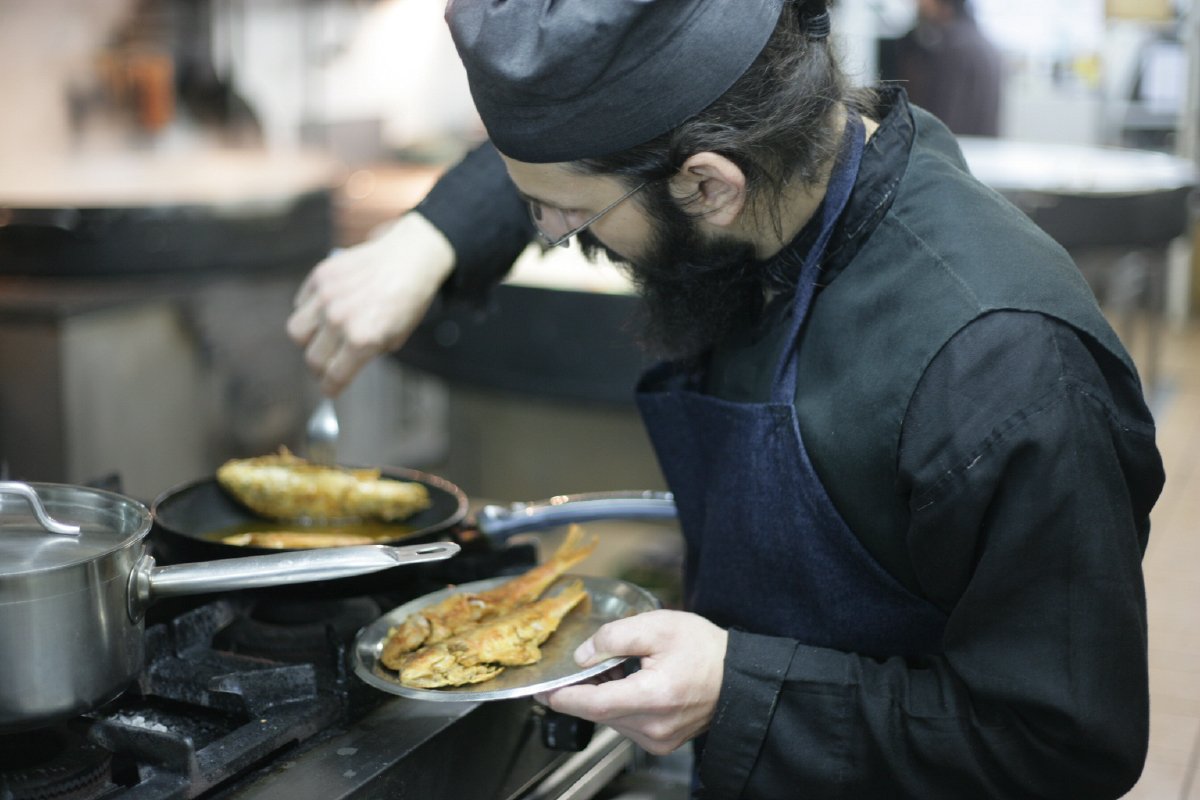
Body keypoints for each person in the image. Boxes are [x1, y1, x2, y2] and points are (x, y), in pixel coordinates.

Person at [287, 1, 1163, 796]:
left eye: (569, 217)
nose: (553, 235)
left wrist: (737, 692)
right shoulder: (772, 165)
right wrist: (430, 239)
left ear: (709, 186)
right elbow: (590, 135)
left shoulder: (1008, 370)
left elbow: (1062, 744)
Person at [891, 0, 1003, 136]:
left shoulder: (952, 50)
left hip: (952, 144)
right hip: (977, 146)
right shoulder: (982, 45)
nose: (916, 4)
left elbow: (942, 120)